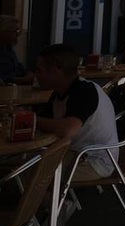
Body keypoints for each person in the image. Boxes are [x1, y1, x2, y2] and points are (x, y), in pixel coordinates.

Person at [35, 44, 120, 179]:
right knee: (19, 168)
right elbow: (42, 127)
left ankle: (54, 200)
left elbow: (67, 129)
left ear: (57, 68)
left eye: (39, 70)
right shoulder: (59, 93)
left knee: (32, 178)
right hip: (73, 154)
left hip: (94, 161)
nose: (36, 75)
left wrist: (33, 120)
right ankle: (52, 199)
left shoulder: (85, 92)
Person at [0, 15, 31, 84]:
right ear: (4, 31)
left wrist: (29, 74)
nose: (18, 34)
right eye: (16, 31)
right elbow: (3, 79)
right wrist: (23, 80)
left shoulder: (9, 49)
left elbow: (19, 68)